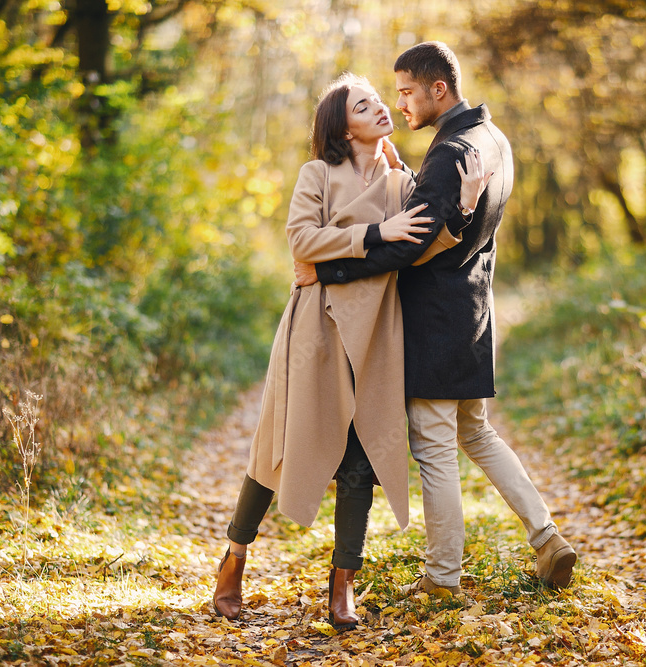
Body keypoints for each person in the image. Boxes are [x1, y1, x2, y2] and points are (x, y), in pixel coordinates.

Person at [294, 42, 577, 596]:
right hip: (473, 314)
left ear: (438, 89)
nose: (399, 103)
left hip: (433, 323)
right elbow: (449, 224)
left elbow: (411, 246)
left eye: (406, 92)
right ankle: (547, 538)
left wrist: (330, 272)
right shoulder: (493, 139)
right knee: (477, 433)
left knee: (435, 451)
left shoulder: (450, 153)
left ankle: (443, 578)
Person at [212, 72, 490, 630]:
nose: (382, 108)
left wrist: (462, 207)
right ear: (342, 127)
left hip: (378, 332)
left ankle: (343, 585)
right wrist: (375, 234)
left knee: (362, 456)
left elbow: (421, 246)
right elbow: (301, 240)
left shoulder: (402, 182)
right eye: (364, 106)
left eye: (380, 101)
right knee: (279, 444)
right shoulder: (316, 173)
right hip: (315, 327)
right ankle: (234, 558)